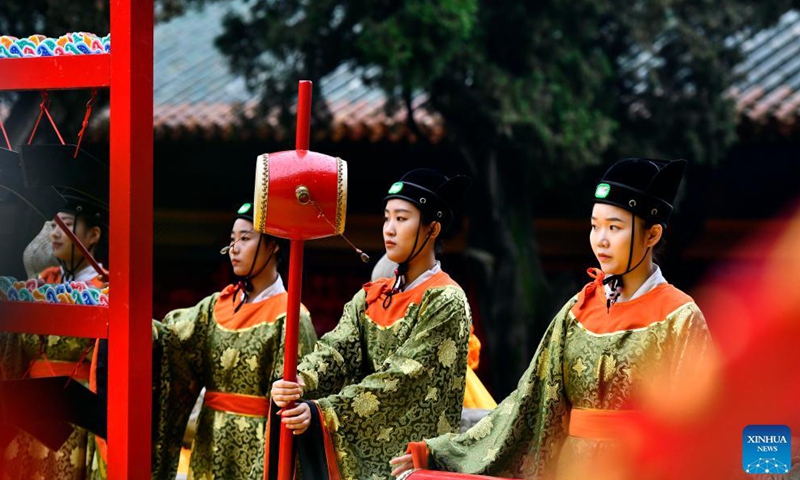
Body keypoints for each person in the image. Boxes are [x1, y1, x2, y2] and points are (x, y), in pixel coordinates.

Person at [390, 158, 714, 479]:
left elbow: (700, 424)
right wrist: (441, 452)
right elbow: (528, 401)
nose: (600, 239)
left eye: (614, 227)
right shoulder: (578, 310)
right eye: (595, 226)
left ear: (652, 234)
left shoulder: (679, 317)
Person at [260, 169, 473, 480]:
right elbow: (336, 350)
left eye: (402, 218)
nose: (389, 229)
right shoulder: (373, 296)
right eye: (387, 218)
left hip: (411, 461)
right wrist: (299, 380)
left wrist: (323, 413)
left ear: (432, 228)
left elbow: (403, 378)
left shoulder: (446, 300)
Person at [149, 202, 317, 480]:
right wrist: (137, 324)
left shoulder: (291, 315)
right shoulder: (215, 306)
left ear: (274, 244)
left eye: (245, 238)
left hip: (259, 445)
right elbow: (171, 340)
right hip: (209, 440)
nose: (234, 248)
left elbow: (301, 396)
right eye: (231, 239)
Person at [1, 193, 108, 480]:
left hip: (76, 412)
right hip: (30, 410)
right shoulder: (38, 284)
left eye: (67, 225)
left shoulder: (107, 290)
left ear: (93, 235)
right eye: (53, 226)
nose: (54, 234)